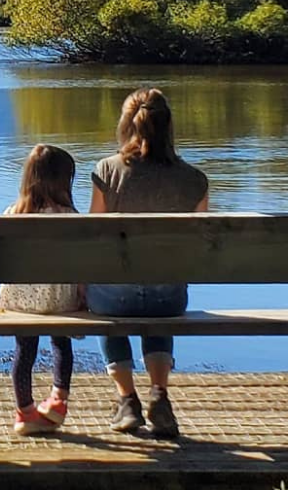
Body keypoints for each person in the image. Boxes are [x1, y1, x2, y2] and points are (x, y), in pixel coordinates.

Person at [88, 88, 208, 439]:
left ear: (125, 125)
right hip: (168, 297)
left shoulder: (107, 171)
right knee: (163, 278)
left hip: (115, 298)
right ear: (169, 127)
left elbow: (94, 238)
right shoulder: (194, 179)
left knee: (107, 300)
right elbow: (199, 246)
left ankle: (127, 400)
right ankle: (159, 395)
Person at [0, 143, 84, 436]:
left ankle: (25, 412)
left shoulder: (12, 213)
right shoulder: (71, 217)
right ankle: (59, 401)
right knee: (62, 344)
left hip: (20, 304)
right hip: (61, 303)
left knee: (24, 351)